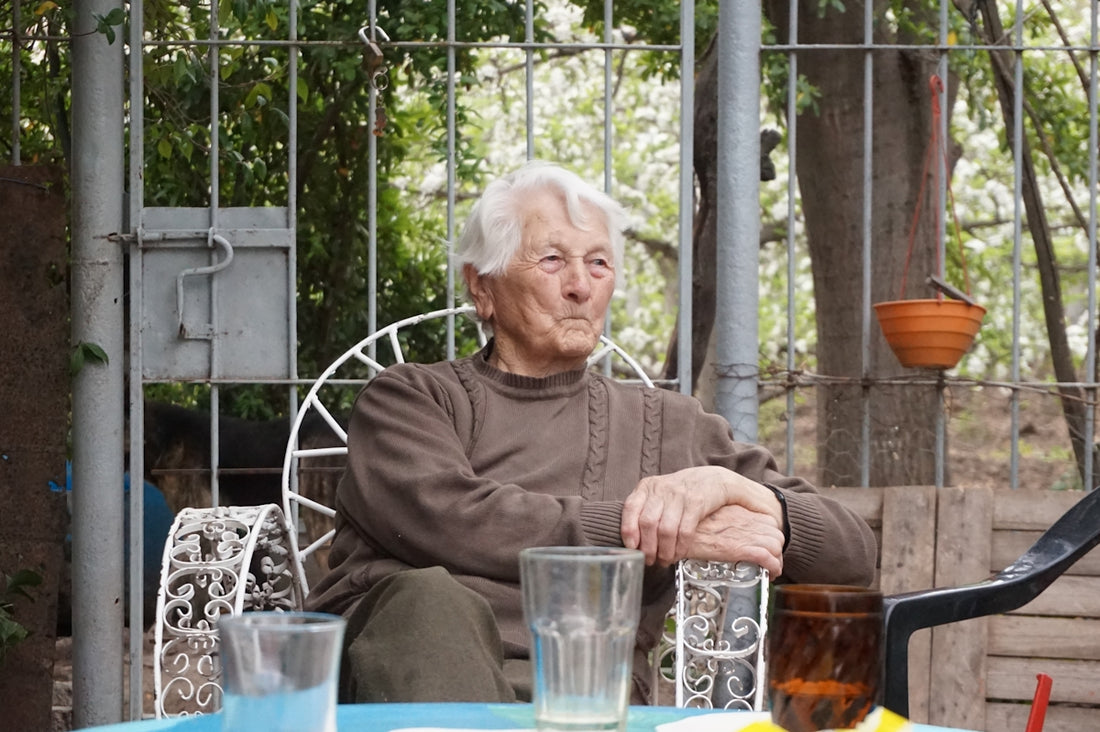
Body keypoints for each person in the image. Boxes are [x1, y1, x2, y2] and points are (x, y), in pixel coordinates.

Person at [306, 160, 877, 704]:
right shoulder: (410, 398)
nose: (580, 286)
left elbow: (853, 555)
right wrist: (644, 530)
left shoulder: (668, 424)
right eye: (552, 260)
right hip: (407, 685)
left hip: (583, 697)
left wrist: (743, 494)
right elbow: (457, 519)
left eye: (599, 264)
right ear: (483, 288)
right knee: (429, 600)